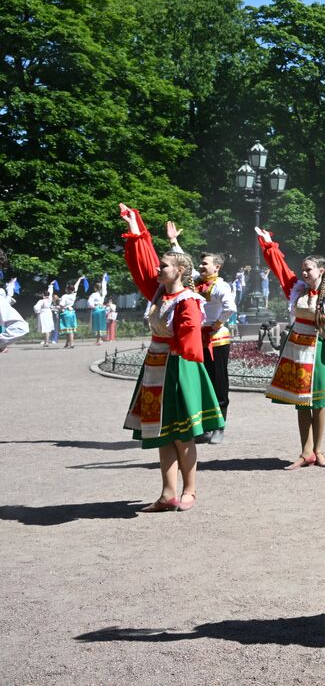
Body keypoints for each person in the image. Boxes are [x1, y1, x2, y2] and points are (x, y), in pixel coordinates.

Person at [118, 204, 224, 512]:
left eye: (163, 266)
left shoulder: (188, 300)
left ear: (178, 271)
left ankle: (189, 490)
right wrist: (135, 226)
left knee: (182, 434)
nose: (157, 269)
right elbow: (142, 262)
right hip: (156, 367)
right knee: (162, 434)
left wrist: (182, 370)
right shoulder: (158, 294)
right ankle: (167, 493)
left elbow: (190, 340)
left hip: (178, 368)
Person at [254, 227, 325, 469]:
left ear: (321, 271)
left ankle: (319, 450)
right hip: (296, 349)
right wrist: (269, 244)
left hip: (317, 350)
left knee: (319, 403)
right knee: (302, 403)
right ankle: (306, 452)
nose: (303, 272)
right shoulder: (297, 289)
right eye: (303, 268)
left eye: (308, 269)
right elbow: (280, 269)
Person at [167, 225, 238, 445]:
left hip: (216, 339)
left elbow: (231, 308)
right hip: (199, 338)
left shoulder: (220, 286)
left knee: (218, 382)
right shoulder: (198, 281)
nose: (200, 266)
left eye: (205, 263)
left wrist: (217, 323)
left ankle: (219, 426)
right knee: (201, 381)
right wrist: (173, 242)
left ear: (217, 267)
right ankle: (205, 426)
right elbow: (184, 261)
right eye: (201, 263)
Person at [1, 280, 29, 352]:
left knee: (21, 327)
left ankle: (3, 346)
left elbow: (9, 296)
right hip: (10, 321)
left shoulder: (4, 300)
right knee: (22, 327)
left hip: (8, 320)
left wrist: (11, 285)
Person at [57, 283, 79, 348]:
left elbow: (61, 305)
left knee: (69, 329)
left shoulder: (65, 296)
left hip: (66, 312)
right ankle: (67, 343)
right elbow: (76, 286)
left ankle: (72, 343)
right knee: (69, 329)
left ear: (67, 289)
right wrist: (80, 279)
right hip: (72, 312)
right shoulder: (74, 295)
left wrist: (59, 309)